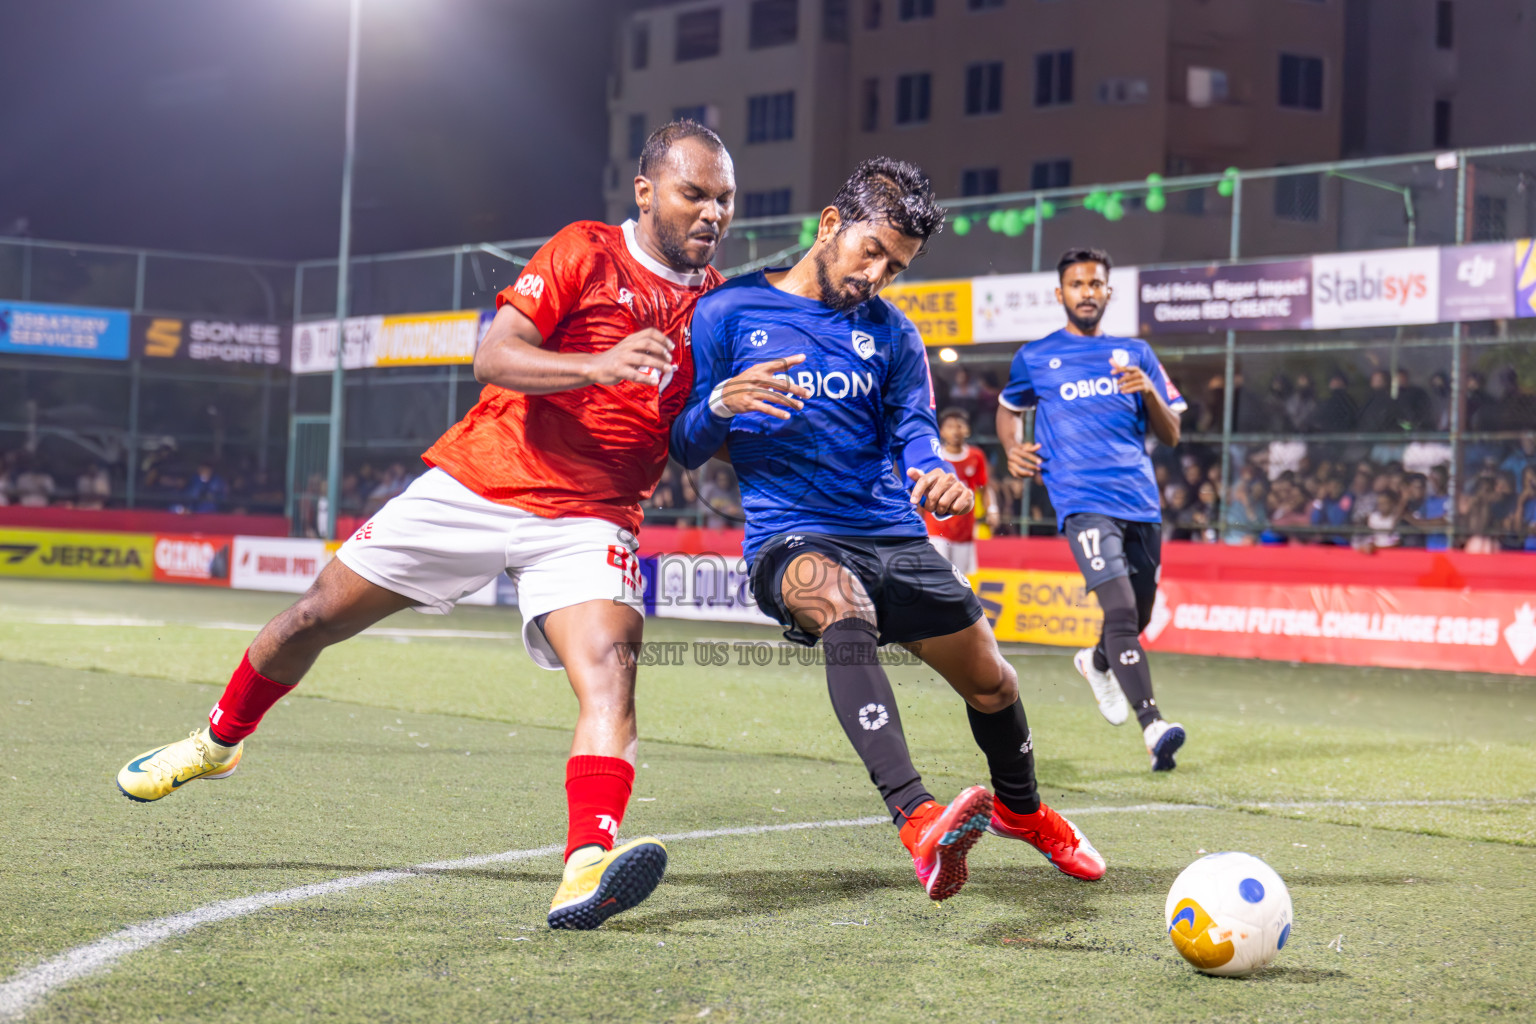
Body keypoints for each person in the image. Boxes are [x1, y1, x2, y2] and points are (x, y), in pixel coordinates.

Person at [116, 119, 739, 931]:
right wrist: (597, 363)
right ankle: (216, 742)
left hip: (592, 516)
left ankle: (586, 863)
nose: (713, 212)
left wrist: (726, 410)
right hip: (480, 482)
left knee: (612, 671)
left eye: (725, 199)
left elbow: (688, 434)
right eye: (696, 193)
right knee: (312, 617)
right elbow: (495, 356)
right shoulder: (585, 250)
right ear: (647, 191)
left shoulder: (719, 307)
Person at [672, 158, 1105, 902]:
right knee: (840, 604)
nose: (876, 275)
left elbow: (914, 433)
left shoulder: (895, 334)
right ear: (830, 225)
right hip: (791, 537)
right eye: (871, 251)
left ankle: (1024, 811)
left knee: (993, 683)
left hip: (892, 535)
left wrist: (936, 474)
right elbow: (682, 445)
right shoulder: (726, 312)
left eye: (895, 266)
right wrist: (718, 406)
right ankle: (918, 818)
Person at [997, 247, 1190, 772]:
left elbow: (1172, 434)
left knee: (1139, 615)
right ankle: (1153, 726)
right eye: (1077, 284)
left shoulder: (1137, 354)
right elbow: (1009, 408)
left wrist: (1149, 391)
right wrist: (1012, 447)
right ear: (1060, 293)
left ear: (1109, 292)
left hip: (1140, 502)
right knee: (1121, 610)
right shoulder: (1036, 356)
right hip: (1082, 502)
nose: (1087, 292)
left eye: (1095, 284)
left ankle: (1097, 660)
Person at [923, 407, 996, 575]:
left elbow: (984, 487)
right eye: (950, 426)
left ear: (967, 430)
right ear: (941, 431)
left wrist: (992, 510)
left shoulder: (976, 456)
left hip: (964, 530)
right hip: (936, 530)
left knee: (959, 579)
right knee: (940, 576)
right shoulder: (934, 457)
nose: (955, 431)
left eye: (960, 426)